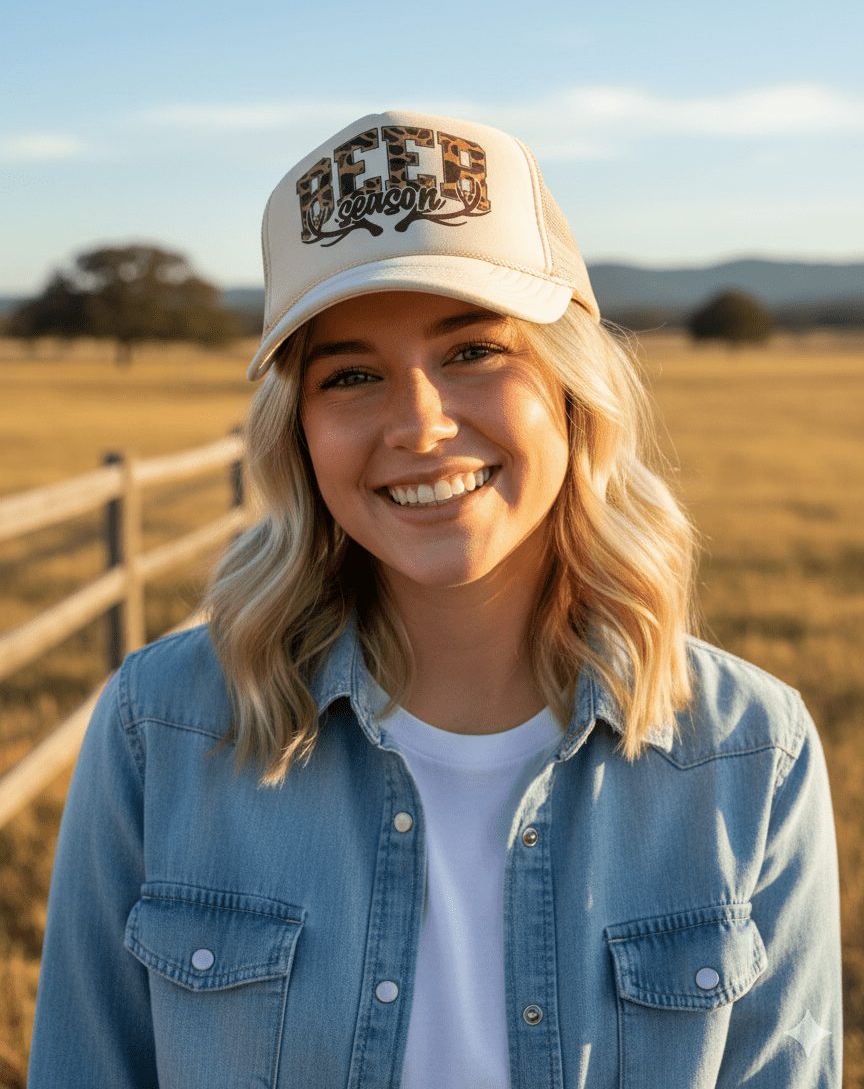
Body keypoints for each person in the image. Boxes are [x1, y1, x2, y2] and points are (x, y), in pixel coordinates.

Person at [28, 111, 841, 1088]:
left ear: (571, 389)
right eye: (354, 374)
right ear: (301, 432)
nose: (418, 422)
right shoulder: (162, 726)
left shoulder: (750, 751)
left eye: (473, 352)